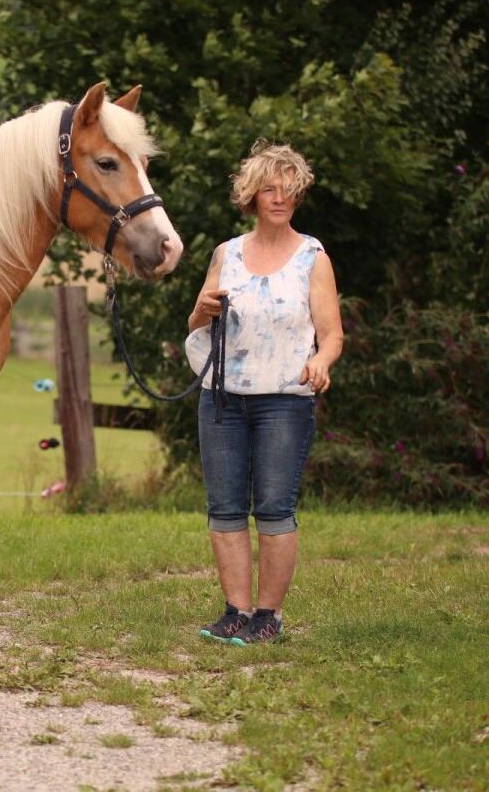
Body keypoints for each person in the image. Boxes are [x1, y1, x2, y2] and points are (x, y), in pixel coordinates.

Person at [185, 140, 343, 645]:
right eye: (269, 189)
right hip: (221, 398)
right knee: (225, 508)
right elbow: (197, 325)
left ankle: (268, 616)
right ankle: (236, 611)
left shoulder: (312, 257)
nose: (279, 198)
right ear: (251, 195)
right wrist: (200, 310)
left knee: (274, 507)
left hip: (285, 400)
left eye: (289, 190)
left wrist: (321, 360)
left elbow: (332, 334)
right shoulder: (226, 254)